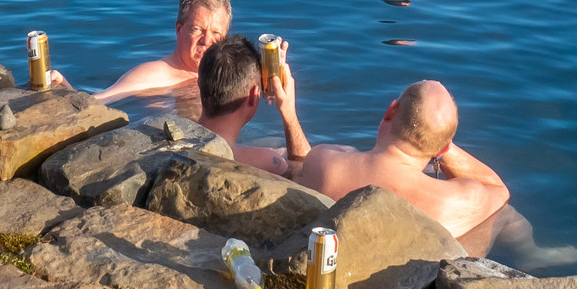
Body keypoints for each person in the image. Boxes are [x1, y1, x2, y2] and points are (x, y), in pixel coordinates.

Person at [294, 80, 511, 239]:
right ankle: (532, 254)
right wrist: (440, 143)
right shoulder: (456, 200)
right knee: (509, 215)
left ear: (390, 111)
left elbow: (316, 157)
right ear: (444, 147)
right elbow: (499, 190)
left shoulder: (323, 161)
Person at [195, 35, 311, 175]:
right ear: (253, 95)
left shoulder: (169, 139)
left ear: (199, 84)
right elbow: (307, 174)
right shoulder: (266, 162)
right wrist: (289, 114)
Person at [95, 0, 232, 104]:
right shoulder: (154, 76)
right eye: (197, 29)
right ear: (179, 29)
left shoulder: (232, 73)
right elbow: (95, 102)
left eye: (215, 32)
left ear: (224, 37)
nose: (206, 40)